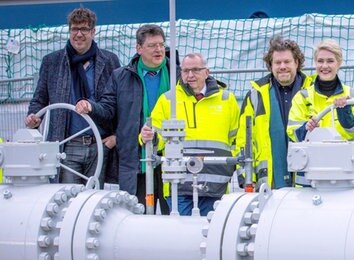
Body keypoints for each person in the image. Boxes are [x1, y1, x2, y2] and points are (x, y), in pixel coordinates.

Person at [76, 24, 179, 214]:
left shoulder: (178, 75)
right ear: (139, 49)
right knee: (135, 218)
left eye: (161, 45)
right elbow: (108, 109)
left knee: (173, 217)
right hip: (134, 160)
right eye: (152, 45)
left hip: (171, 159)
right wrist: (91, 107)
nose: (158, 50)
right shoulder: (120, 77)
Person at [25, 8, 120, 187]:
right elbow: (40, 99)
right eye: (74, 29)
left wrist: (116, 137)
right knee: (68, 199)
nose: (78, 34)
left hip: (100, 145)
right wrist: (33, 117)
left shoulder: (109, 61)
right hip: (66, 146)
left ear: (93, 31)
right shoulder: (51, 62)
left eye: (83, 29)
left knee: (94, 201)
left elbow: (118, 102)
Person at [140, 53, 239, 216]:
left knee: (212, 233)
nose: (190, 75)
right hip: (178, 184)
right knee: (181, 235)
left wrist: (230, 167)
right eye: (185, 71)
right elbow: (154, 137)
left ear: (207, 72)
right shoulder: (167, 100)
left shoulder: (227, 100)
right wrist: (146, 136)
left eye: (195, 70)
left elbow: (237, 139)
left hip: (216, 184)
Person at [236, 35, 313, 190]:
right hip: (269, 183)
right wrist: (245, 176)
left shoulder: (312, 91)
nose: (282, 66)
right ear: (270, 65)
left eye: (287, 62)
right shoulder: (255, 95)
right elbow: (243, 139)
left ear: (297, 63)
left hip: (309, 181)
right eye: (277, 62)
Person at [286, 39, 354, 186]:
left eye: (330, 61)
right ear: (315, 63)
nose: (324, 66)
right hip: (310, 180)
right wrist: (306, 129)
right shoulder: (302, 97)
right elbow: (292, 133)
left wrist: (345, 112)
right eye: (320, 61)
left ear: (339, 63)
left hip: (345, 178)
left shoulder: (353, 95)